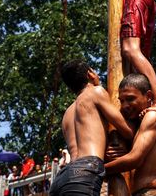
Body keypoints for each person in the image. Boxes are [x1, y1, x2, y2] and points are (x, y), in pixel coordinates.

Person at [49, 59, 135, 196]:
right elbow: (127, 131)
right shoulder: (96, 93)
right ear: (90, 74)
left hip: (61, 179)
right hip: (85, 170)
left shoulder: (67, 114)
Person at [104, 73, 156, 196]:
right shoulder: (139, 124)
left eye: (131, 99)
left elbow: (134, 159)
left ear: (148, 96)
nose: (125, 105)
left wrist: (98, 170)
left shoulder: (152, 117)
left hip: (147, 192)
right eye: (122, 101)